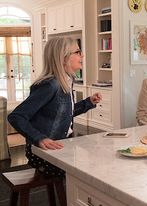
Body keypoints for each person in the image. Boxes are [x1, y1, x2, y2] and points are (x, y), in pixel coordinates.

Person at [8, 37, 102, 177]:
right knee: (89, 173)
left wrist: (88, 102)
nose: (81, 55)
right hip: (43, 153)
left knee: (94, 164)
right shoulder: (50, 85)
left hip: (63, 145)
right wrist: (39, 138)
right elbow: (16, 116)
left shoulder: (66, 81)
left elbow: (62, 113)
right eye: (77, 52)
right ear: (63, 58)